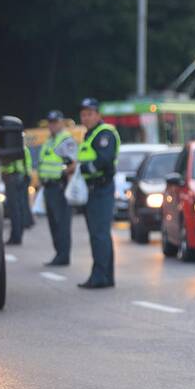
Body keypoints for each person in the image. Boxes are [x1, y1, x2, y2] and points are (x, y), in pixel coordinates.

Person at [76, 98, 120, 289]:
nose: (85, 118)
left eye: (89, 114)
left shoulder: (104, 134)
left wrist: (81, 169)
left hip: (101, 188)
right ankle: (106, 276)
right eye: (83, 114)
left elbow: (104, 160)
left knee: (99, 235)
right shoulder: (90, 135)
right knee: (100, 234)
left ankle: (99, 276)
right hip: (93, 189)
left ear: (98, 115)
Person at [38, 110, 78, 266]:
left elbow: (73, 164)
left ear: (61, 122)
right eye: (50, 122)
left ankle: (63, 255)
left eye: (55, 122)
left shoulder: (65, 140)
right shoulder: (49, 140)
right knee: (53, 223)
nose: (52, 125)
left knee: (62, 223)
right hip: (48, 186)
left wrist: (62, 173)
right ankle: (59, 253)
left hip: (60, 187)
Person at [2, 136, 34, 245]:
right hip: (21, 178)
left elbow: (7, 165)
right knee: (19, 208)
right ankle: (18, 234)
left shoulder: (11, 149)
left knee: (14, 209)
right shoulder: (24, 149)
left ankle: (16, 237)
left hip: (12, 178)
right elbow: (27, 165)